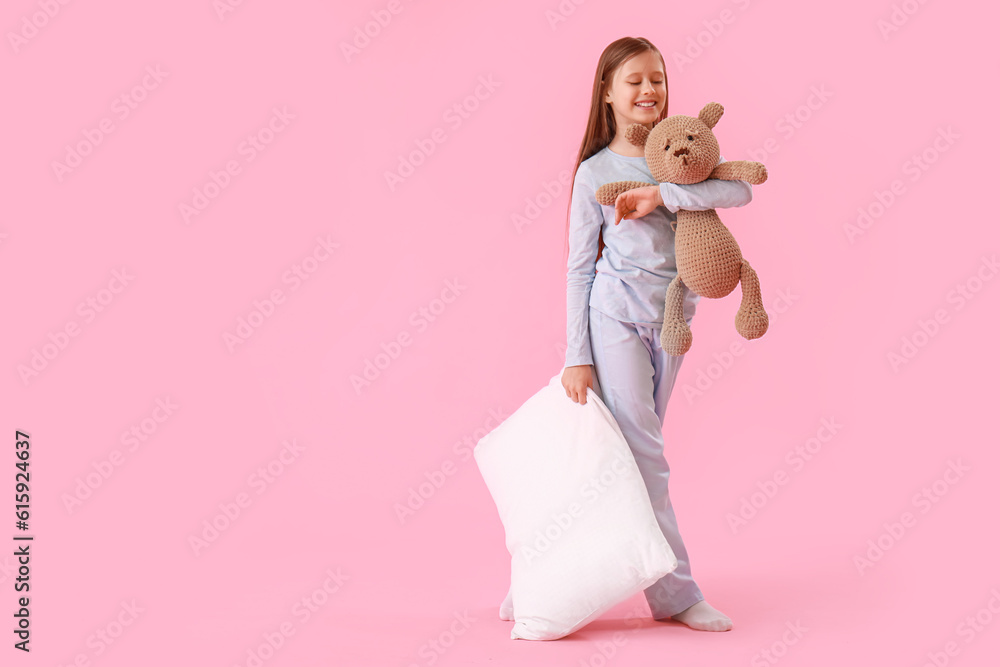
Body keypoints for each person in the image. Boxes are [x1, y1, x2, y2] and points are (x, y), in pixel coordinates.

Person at [562, 36, 755, 632]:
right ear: (609, 94)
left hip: (673, 324)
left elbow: (740, 188)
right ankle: (676, 593)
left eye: (658, 79)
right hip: (614, 320)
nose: (649, 90)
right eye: (635, 81)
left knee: (627, 462)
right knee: (646, 458)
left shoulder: (683, 153)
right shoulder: (596, 172)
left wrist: (661, 192)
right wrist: (577, 356)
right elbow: (578, 266)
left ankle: (565, 576)